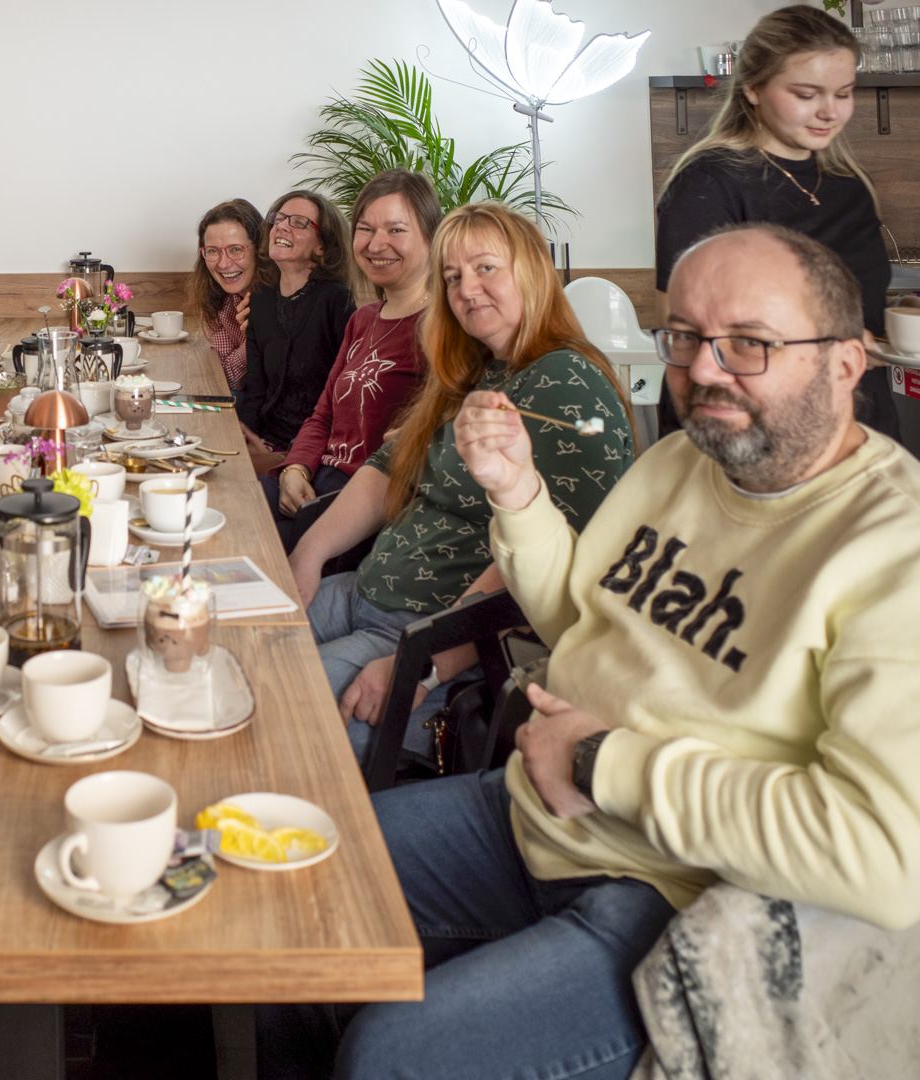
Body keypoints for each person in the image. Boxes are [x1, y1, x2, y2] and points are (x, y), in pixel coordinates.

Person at [264, 222, 920, 1080]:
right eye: (684, 337)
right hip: (529, 810)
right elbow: (577, 619)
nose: (705, 370)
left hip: (666, 890)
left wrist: (605, 761)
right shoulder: (680, 464)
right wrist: (519, 496)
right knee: (279, 892)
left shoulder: (892, 548)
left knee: (388, 1056)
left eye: (749, 343)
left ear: (845, 362)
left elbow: (881, 858)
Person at [290, 202, 633, 760]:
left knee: (275, 702)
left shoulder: (567, 381)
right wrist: (308, 555)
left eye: (485, 268)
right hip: (364, 590)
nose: (467, 289)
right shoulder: (473, 369)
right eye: (452, 277)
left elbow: (550, 557)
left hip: (423, 632)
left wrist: (420, 667)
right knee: (237, 638)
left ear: (532, 272)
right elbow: (386, 470)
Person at [654, 4, 900, 442]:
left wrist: (880, 342)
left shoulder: (850, 185)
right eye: (806, 95)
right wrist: (825, 349)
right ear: (752, 88)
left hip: (857, 421)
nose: (830, 112)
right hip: (750, 430)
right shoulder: (708, 183)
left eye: (843, 93)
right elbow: (683, 335)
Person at [263, 171, 441, 547]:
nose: (376, 244)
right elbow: (323, 415)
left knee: (244, 542)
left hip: (366, 507)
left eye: (396, 230)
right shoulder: (364, 319)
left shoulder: (443, 327)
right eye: (365, 229)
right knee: (216, 505)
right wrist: (295, 468)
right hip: (316, 478)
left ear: (431, 236)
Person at [238, 190, 357, 463]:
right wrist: (243, 437)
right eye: (279, 218)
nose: (282, 226)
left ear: (321, 247)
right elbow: (256, 394)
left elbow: (346, 402)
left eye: (299, 222)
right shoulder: (260, 299)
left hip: (318, 451)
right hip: (268, 442)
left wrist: (286, 458)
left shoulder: (337, 301)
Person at [188, 198, 263, 392]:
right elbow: (226, 379)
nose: (223, 264)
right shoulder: (217, 298)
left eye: (236, 249)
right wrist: (250, 342)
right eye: (213, 251)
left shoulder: (280, 297)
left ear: (260, 249)